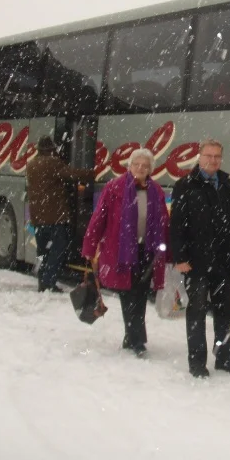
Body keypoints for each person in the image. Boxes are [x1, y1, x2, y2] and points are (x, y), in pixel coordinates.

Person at [171, 139, 230, 378]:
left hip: (225, 261)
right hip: (196, 261)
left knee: (225, 312)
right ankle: (197, 363)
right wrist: (180, 257)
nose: (213, 160)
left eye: (217, 156)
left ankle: (224, 357)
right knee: (197, 312)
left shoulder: (228, 185)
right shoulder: (185, 185)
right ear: (200, 157)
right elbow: (177, 224)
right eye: (209, 156)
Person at [81, 148, 169, 358]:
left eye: (145, 166)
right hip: (122, 250)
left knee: (140, 294)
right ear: (130, 166)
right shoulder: (114, 187)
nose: (141, 168)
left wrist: (169, 250)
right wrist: (89, 246)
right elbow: (99, 218)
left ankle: (131, 336)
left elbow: (164, 222)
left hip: (146, 250)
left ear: (150, 169)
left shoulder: (155, 191)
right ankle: (137, 340)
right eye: (137, 164)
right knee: (128, 294)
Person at [26, 135, 95, 293]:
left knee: (42, 251)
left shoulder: (31, 164)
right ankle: (49, 283)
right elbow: (72, 174)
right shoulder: (52, 163)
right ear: (51, 149)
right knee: (58, 250)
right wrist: (93, 172)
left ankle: (42, 281)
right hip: (54, 217)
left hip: (37, 216)